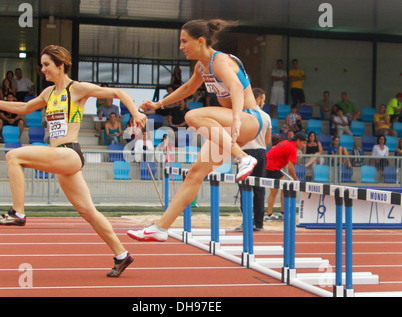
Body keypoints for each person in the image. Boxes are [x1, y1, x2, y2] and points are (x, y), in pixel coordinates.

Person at [0, 45, 147, 277]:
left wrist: (135, 113)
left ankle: (18, 213)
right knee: (89, 212)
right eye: (42, 65)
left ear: (60, 65)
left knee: (13, 155)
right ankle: (121, 254)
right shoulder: (48, 93)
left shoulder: (77, 89)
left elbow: (117, 93)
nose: (43, 69)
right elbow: (25, 107)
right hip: (61, 158)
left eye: (47, 65)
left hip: (70, 153)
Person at [127, 19, 261, 242]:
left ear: (200, 41)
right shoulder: (202, 66)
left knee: (192, 115)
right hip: (229, 124)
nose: (181, 47)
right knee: (194, 174)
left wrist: (237, 118)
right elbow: (188, 88)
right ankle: (161, 227)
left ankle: (243, 158)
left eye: (184, 41)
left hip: (249, 118)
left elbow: (236, 87)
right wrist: (159, 104)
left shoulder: (220, 61)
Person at [236, 88, 272, 232]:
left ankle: (246, 222)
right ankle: (259, 223)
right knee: (259, 188)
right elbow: (268, 140)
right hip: (261, 152)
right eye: (263, 99)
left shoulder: (242, 115)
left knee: (245, 188)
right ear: (258, 99)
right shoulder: (266, 116)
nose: (264, 102)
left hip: (245, 152)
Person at [265, 132, 306, 221]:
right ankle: (280, 214)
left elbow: (273, 148)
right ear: (298, 141)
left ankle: (272, 214)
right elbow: (290, 167)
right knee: (284, 188)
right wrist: (296, 179)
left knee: (275, 190)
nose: (303, 145)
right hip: (271, 167)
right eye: (303, 143)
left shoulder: (286, 142)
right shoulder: (292, 148)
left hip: (269, 165)